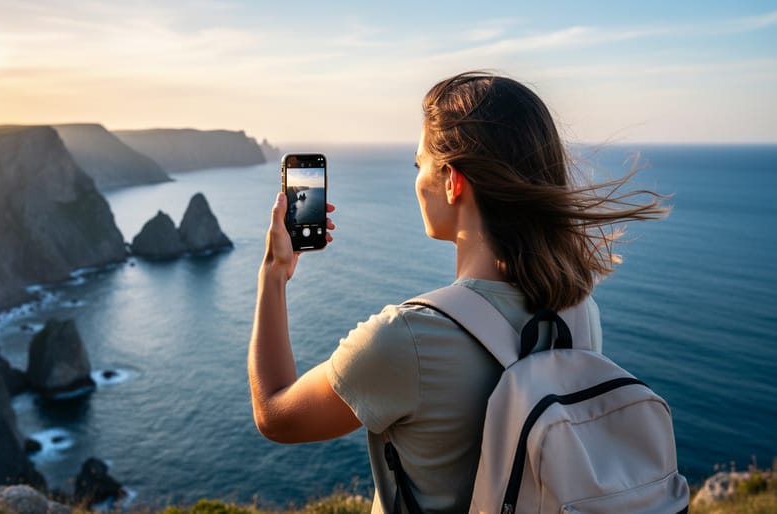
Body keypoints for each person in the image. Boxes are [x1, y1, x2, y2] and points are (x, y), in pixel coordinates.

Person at [247, 71, 668, 513]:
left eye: (419, 165)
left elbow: (275, 415)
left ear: (453, 180)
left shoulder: (406, 339)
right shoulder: (579, 314)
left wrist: (273, 274)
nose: (416, 180)